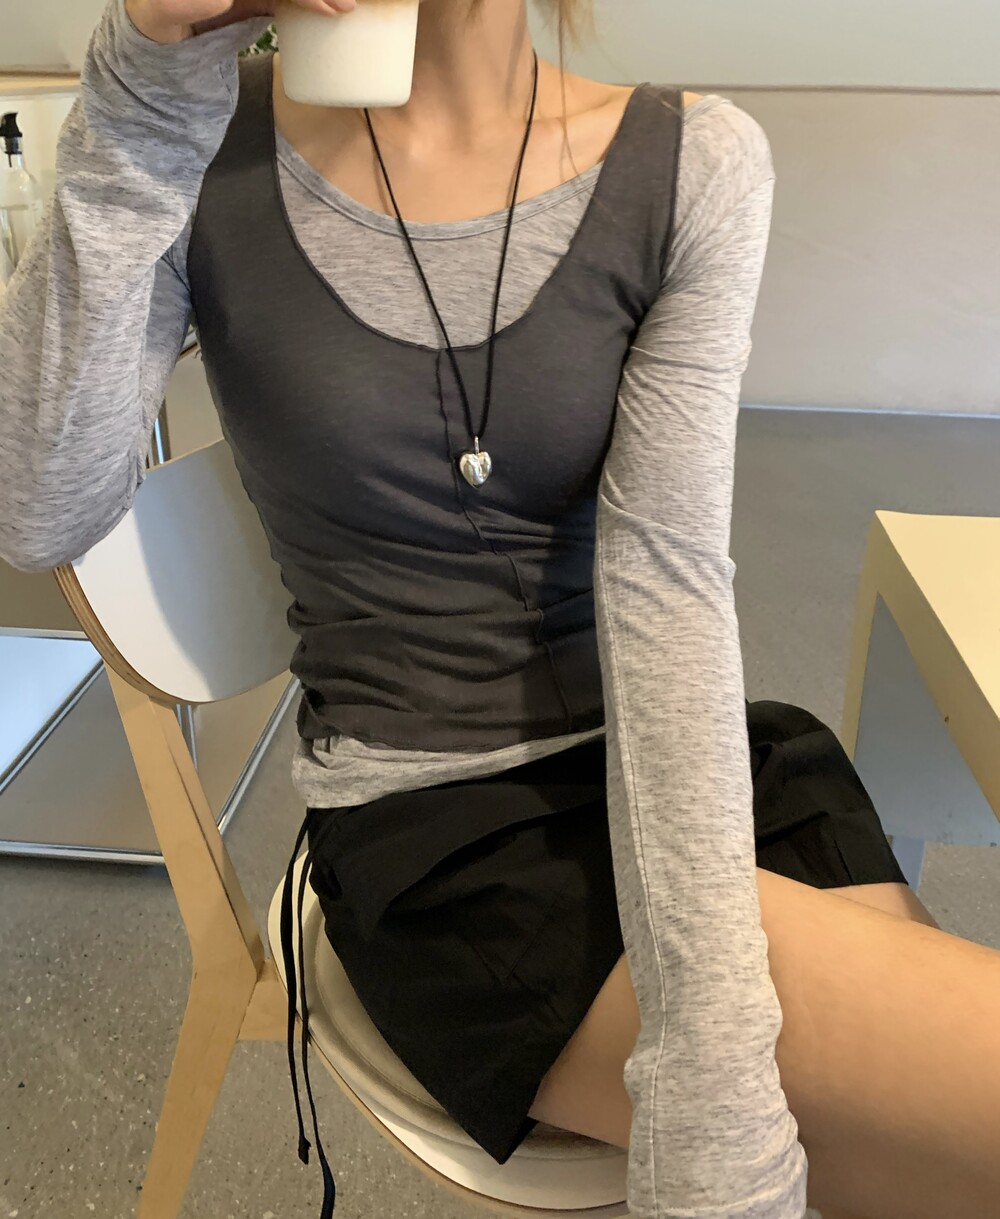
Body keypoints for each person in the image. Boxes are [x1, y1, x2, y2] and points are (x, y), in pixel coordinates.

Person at [2, 0, 999, 1216]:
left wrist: (709, 1077)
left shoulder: (690, 165)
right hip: (441, 837)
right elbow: (37, 511)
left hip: (683, 765)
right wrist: (147, 84)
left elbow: (666, 589)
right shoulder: (197, 142)